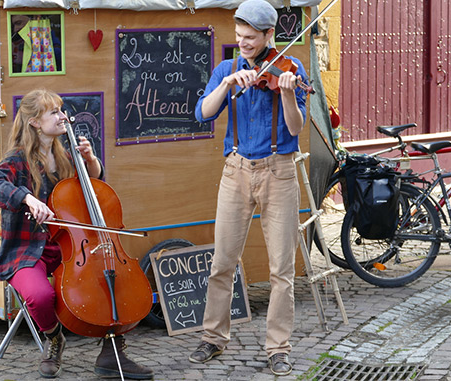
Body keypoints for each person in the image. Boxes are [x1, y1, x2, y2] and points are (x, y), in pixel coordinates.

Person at [0, 89, 153, 380]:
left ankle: (113, 353)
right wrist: (27, 198)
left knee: (107, 283)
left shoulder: (65, 155)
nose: (63, 116)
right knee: (39, 295)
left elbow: (91, 191)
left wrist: (89, 161)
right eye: (54, 112)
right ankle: (54, 338)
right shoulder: (17, 159)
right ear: (36, 122)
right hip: (27, 249)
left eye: (62, 110)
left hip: (70, 248)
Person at [188, 0, 307, 376]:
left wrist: (286, 92)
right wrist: (225, 84)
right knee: (222, 262)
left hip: (278, 172)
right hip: (235, 171)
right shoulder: (228, 68)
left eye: (250, 38)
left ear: (269, 35)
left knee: (281, 270)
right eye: (239, 36)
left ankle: (278, 348)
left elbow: (295, 128)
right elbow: (203, 113)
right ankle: (213, 337)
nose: (243, 43)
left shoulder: (291, 68)